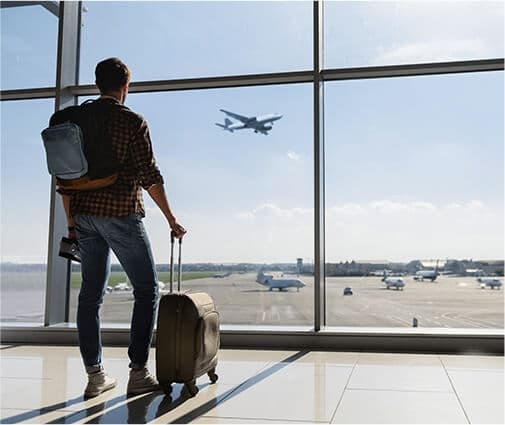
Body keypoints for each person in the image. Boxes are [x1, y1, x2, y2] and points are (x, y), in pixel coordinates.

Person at [58, 57, 186, 398]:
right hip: (120, 212)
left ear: (98, 83)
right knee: (146, 290)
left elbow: (65, 180)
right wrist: (171, 218)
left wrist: (72, 223)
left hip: (84, 216)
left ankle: (95, 376)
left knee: (90, 296)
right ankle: (138, 372)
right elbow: (150, 177)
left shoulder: (75, 120)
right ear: (125, 86)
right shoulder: (132, 121)